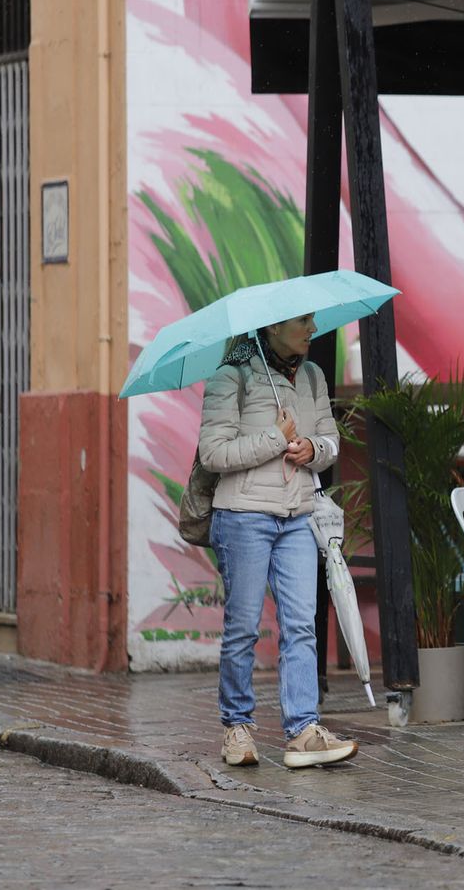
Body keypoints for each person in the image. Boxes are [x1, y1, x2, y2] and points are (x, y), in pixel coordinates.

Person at [198, 313, 357, 769]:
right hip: (244, 516)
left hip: (298, 515)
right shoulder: (232, 376)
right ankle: (237, 727)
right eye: (301, 322)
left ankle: (304, 730)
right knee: (244, 627)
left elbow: (331, 438)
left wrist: (312, 448)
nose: (311, 329)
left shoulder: (311, 376)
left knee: (301, 626)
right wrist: (275, 438)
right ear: (270, 328)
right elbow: (213, 452)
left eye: (311, 320)